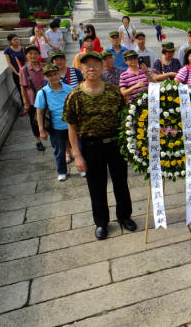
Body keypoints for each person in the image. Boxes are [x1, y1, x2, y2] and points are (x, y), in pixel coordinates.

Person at [63, 51, 136, 240]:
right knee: (96, 186)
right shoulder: (75, 96)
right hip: (91, 146)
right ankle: (101, 222)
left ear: (102, 67)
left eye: (96, 64)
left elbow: (124, 118)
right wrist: (77, 155)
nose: (91, 68)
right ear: (81, 68)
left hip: (115, 144)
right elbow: (72, 128)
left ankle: (124, 216)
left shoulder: (113, 91)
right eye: (87, 65)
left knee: (121, 182)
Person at [35, 64, 74, 181]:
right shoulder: (42, 93)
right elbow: (40, 113)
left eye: (55, 74)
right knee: (60, 151)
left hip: (72, 125)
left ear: (59, 74)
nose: (53, 77)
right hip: (56, 127)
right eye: (50, 75)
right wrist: (41, 130)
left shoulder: (69, 89)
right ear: (46, 77)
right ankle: (62, 171)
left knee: (80, 148)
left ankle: (82, 168)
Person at [19, 45, 45, 151]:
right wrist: (25, 102)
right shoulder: (24, 70)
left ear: (39, 55)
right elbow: (23, 86)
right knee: (34, 120)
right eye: (30, 53)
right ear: (26, 55)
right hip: (32, 100)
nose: (33, 55)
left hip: (46, 98)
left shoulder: (45, 67)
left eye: (35, 53)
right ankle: (38, 141)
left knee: (49, 118)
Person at [4, 33, 27, 115]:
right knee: (20, 90)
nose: (17, 41)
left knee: (28, 89)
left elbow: (26, 59)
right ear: (10, 41)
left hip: (25, 72)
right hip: (16, 73)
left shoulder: (23, 49)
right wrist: (16, 72)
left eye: (17, 39)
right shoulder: (8, 50)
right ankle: (25, 107)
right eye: (14, 40)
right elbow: (9, 63)